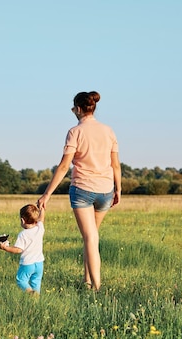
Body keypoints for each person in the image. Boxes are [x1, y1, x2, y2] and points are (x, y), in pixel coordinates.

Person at [37, 91, 121, 292]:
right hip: (105, 190)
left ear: (79, 108)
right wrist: (118, 189)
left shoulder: (75, 132)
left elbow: (64, 166)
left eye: (74, 108)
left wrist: (47, 194)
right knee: (90, 237)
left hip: (83, 189)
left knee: (91, 238)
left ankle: (97, 289)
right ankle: (86, 280)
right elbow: (115, 165)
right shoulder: (108, 131)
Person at [0, 204, 46, 295]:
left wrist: (5, 248)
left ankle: (31, 293)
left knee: (21, 280)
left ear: (22, 220)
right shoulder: (40, 228)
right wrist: (42, 209)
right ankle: (36, 299)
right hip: (39, 263)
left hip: (28, 263)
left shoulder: (23, 234)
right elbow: (42, 219)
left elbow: (18, 250)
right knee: (36, 282)